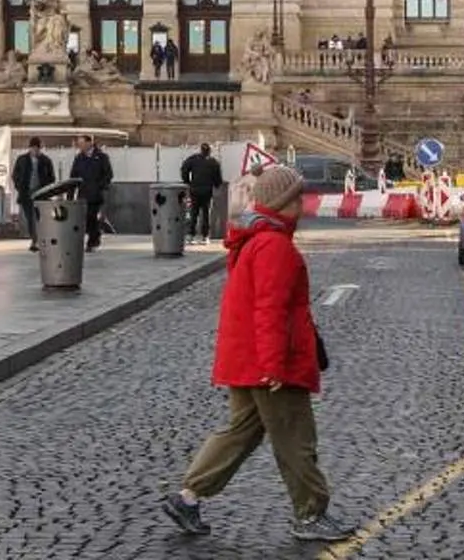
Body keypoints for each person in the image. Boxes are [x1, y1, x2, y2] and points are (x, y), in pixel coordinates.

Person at [162, 162, 347, 543]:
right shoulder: (274, 246)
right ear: (283, 202)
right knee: (296, 438)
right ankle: (311, 513)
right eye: (298, 196)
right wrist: (274, 365)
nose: (303, 202)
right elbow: (270, 310)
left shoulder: (253, 237)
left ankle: (188, 496)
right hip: (269, 362)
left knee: (241, 432)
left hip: (245, 358)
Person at [69, 135, 116, 247]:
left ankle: (92, 240)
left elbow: (108, 174)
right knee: (86, 217)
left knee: (92, 215)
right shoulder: (79, 158)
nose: (80, 146)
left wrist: (100, 185)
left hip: (96, 193)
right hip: (83, 193)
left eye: (82, 143)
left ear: (89, 143)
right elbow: (73, 176)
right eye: (79, 144)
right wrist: (70, 194)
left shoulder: (101, 157)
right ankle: (95, 236)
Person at [10, 136, 56, 234]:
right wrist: (19, 187)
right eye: (33, 148)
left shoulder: (46, 161)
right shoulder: (22, 159)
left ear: (40, 148)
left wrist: (47, 189)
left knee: (40, 216)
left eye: (37, 148)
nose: (35, 150)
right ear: (29, 148)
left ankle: (40, 238)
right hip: (26, 193)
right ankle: (34, 239)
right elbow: (15, 175)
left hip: (41, 193)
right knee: (30, 217)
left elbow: (52, 177)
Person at [181, 142, 226, 243]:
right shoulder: (213, 162)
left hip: (195, 189)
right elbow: (218, 178)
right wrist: (217, 184)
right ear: (210, 151)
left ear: (201, 150)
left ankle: (190, 235)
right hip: (207, 191)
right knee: (206, 214)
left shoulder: (193, 159)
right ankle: (205, 236)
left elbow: (184, 168)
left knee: (194, 212)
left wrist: (187, 181)